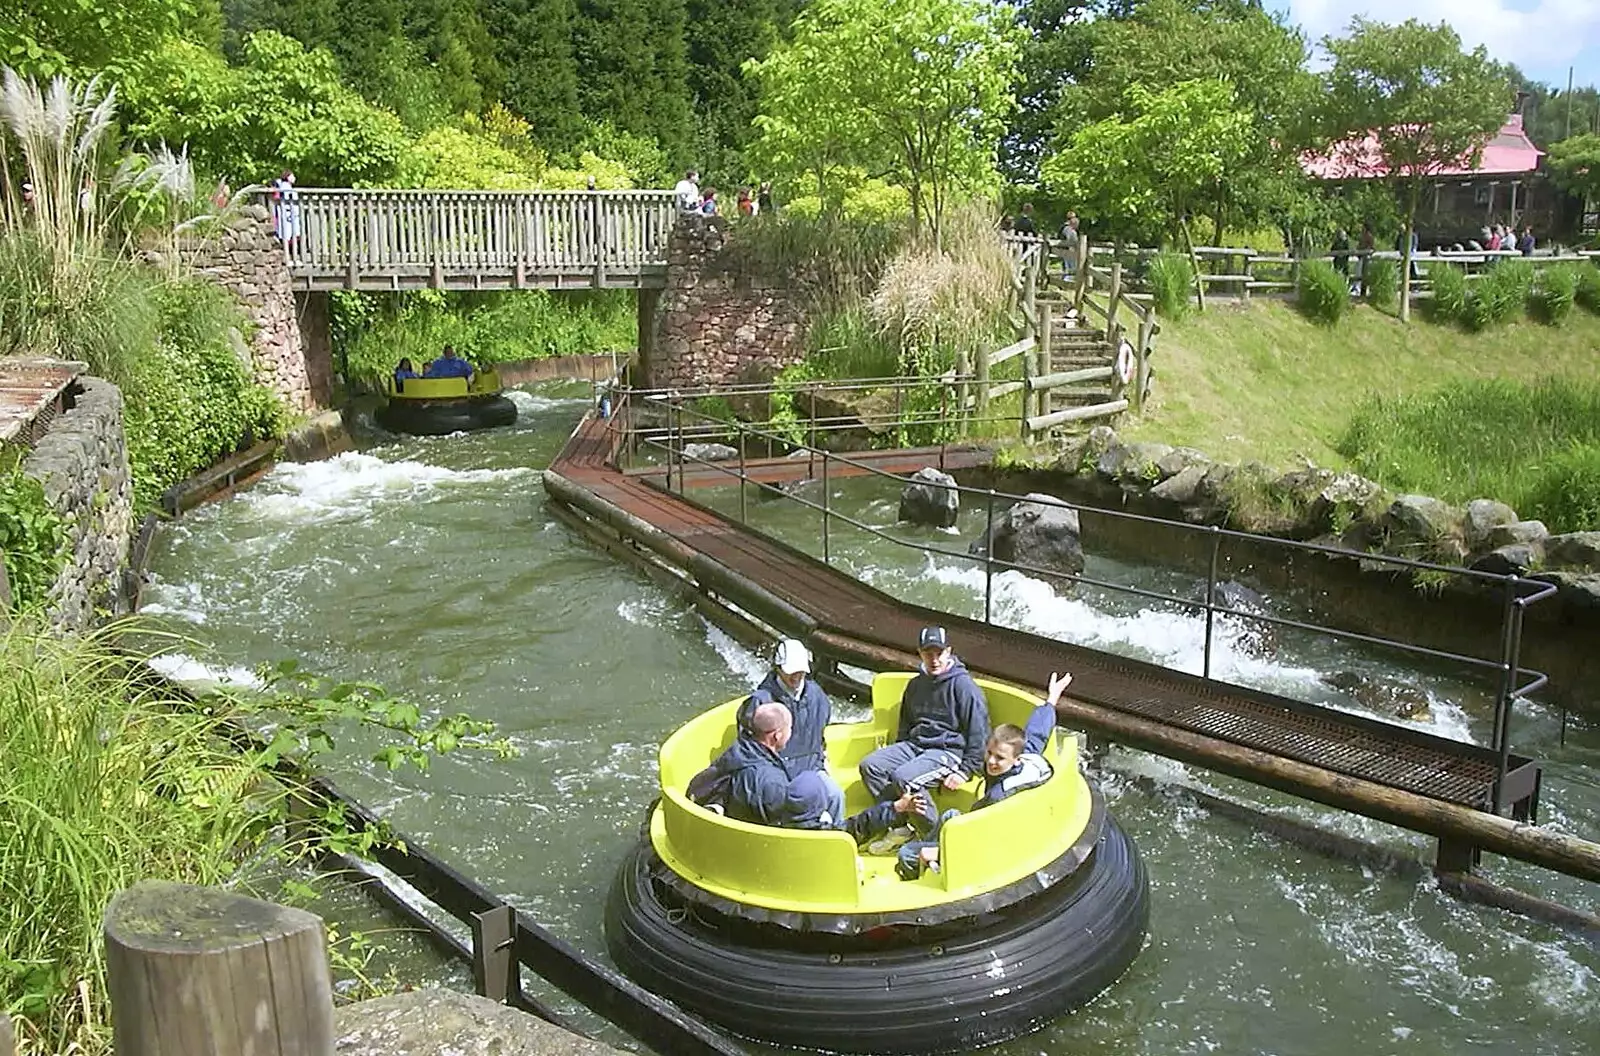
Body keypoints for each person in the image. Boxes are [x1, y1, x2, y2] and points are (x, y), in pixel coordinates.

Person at [846, 671, 1069, 870]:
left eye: (999, 758)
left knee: (908, 854)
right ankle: (913, 834)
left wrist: (939, 853)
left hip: (989, 839)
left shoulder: (1000, 794)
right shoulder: (1026, 754)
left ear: (1016, 760)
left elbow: (977, 836)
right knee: (951, 815)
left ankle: (919, 864)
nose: (991, 762)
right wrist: (1051, 700)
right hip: (979, 825)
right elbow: (1038, 731)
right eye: (989, 753)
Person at [858, 626, 989, 804]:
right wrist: (898, 749)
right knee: (871, 766)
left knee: (903, 778)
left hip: (947, 751)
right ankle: (895, 819)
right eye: (928, 654)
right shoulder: (915, 685)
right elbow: (905, 725)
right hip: (915, 746)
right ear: (919, 653)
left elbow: (979, 732)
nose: (934, 660)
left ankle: (929, 829)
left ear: (948, 652)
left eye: (939, 653)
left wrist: (965, 771)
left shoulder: (964, 686)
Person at [737, 639, 844, 824]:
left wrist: (822, 763)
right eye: (790, 672)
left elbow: (820, 737)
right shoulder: (760, 701)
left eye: (800, 671)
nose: (796, 677)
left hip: (811, 768)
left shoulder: (817, 696)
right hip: (777, 774)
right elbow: (749, 749)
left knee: (836, 795)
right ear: (778, 668)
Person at [685, 701, 794, 825]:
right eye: (789, 729)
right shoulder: (772, 781)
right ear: (777, 736)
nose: (790, 733)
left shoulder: (736, 751)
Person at [271, 170, 299, 244]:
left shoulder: (284, 186)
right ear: (288, 177)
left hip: (287, 213)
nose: (294, 178)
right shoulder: (285, 187)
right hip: (288, 213)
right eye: (292, 176)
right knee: (288, 232)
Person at [1058, 212, 1080, 278]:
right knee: (1070, 267)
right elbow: (1071, 240)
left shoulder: (1063, 227)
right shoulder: (1068, 229)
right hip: (1069, 250)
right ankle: (1066, 281)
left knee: (1067, 266)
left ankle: (1066, 280)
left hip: (1065, 249)